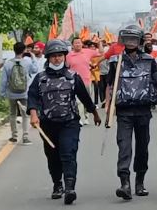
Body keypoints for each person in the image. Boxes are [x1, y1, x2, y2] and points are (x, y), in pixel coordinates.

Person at [27, 40, 102, 205]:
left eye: (60, 55)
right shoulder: (40, 79)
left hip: (69, 122)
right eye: (53, 56)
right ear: (48, 58)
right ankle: (57, 184)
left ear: (64, 57)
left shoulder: (73, 77)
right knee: (52, 156)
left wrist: (95, 113)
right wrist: (33, 114)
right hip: (47, 124)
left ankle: (70, 188)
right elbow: (32, 98)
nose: (57, 59)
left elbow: (85, 97)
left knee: (68, 153)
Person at [105, 25, 157, 201]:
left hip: (143, 111)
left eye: (134, 39)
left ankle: (140, 181)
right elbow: (110, 86)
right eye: (127, 39)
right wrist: (109, 107)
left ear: (140, 41)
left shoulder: (149, 60)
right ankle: (125, 183)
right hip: (124, 112)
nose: (131, 43)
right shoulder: (116, 62)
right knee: (124, 147)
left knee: (142, 148)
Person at [0, 42, 39, 144]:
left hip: (11, 93)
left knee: (12, 114)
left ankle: (14, 136)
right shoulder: (27, 62)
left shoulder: (8, 63)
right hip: (24, 93)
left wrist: (2, 93)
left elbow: (3, 80)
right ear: (24, 50)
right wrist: (33, 57)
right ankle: (25, 137)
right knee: (25, 115)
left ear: (14, 50)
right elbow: (35, 70)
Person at [66, 37, 102, 125]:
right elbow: (66, 68)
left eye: (79, 43)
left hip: (86, 80)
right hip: (74, 81)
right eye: (76, 43)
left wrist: (99, 42)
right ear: (72, 45)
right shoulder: (68, 56)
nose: (78, 44)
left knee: (87, 99)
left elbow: (101, 53)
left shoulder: (87, 51)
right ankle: (80, 118)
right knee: (77, 101)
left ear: (81, 44)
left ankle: (86, 116)